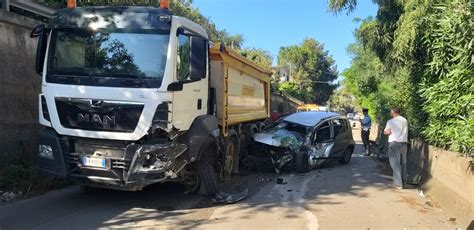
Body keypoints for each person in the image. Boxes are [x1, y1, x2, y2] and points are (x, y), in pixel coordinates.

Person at [384, 107, 408, 189]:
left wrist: (387, 132)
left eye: (391, 112)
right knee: (403, 163)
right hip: (404, 144)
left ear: (393, 112)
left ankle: (398, 183)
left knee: (395, 163)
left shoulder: (390, 121)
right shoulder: (405, 120)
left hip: (394, 144)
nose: (391, 114)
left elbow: (387, 132)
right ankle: (404, 182)